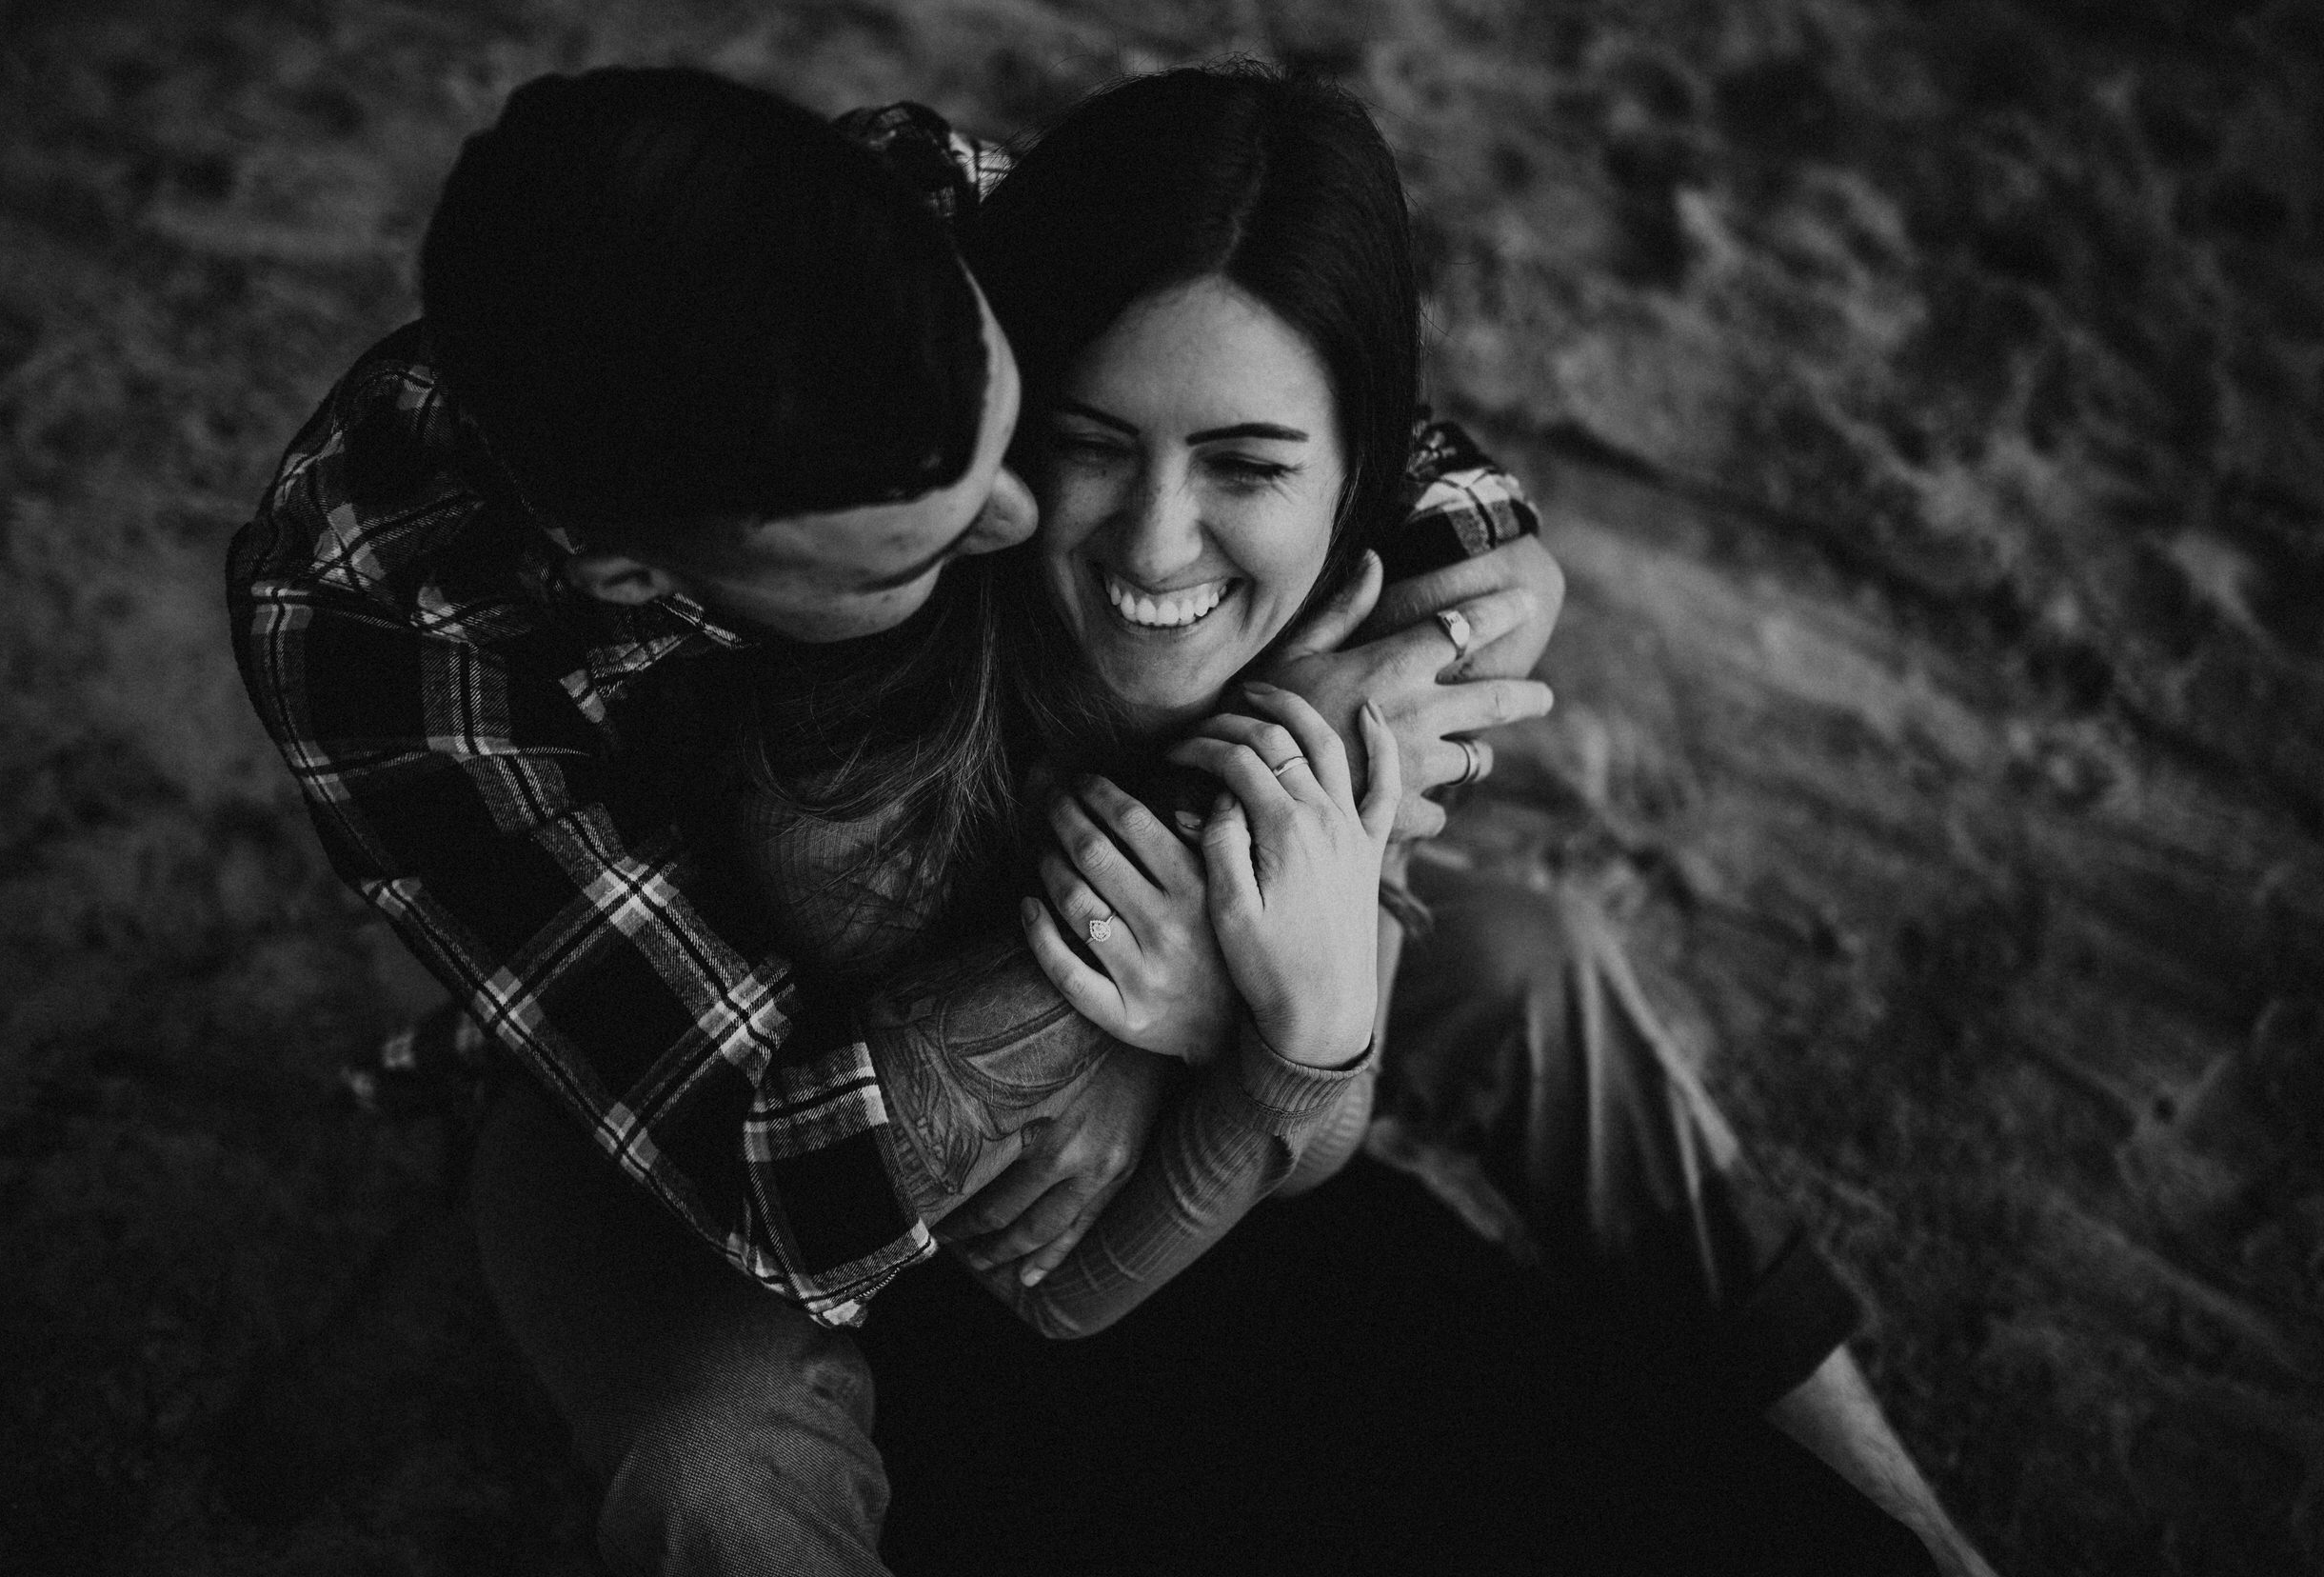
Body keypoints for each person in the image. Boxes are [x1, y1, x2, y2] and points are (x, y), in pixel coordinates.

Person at [226, 65, 1561, 1574]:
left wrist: (1485, 568)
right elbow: (785, 1180)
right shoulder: (376, 641)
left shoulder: (891, 217)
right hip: (677, 1040)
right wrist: (1197, 896)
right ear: (643, 583)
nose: (1018, 520)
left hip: (995, 849)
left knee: (1524, 967)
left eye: (1009, 427)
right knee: (711, 1463)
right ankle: (482, 1243)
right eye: (922, 544)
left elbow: (1326, 391)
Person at [709, 63, 1999, 1576]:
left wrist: (1285, 1019)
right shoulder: (858, 771)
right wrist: (1252, 1012)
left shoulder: (1345, 616)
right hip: (927, 1218)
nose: (1159, 542)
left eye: (1249, 465)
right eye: (1091, 444)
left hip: (1220, 1136)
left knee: (1543, 971)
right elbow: (1050, 1285)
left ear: (1359, 473)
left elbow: (1323, 1087)